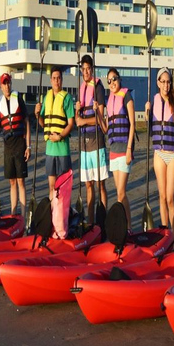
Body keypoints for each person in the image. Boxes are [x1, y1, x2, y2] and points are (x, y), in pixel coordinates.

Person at [146, 67, 174, 234]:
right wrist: (147, 113)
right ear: (158, 83)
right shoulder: (153, 103)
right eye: (163, 82)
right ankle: (165, 234)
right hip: (159, 154)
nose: (166, 85)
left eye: (168, 82)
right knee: (161, 197)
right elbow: (150, 130)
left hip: (172, 154)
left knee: (170, 199)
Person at [74, 55, 108, 225]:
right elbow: (77, 119)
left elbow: (100, 119)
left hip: (97, 140)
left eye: (88, 69)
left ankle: (102, 220)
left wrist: (82, 120)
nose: (86, 72)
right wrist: (76, 111)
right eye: (83, 69)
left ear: (92, 70)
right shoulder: (80, 89)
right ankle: (91, 222)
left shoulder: (98, 88)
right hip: (84, 143)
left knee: (100, 184)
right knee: (88, 185)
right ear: (81, 70)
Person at [35, 67, 75, 201]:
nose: (56, 80)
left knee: (63, 186)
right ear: (51, 80)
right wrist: (37, 113)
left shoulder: (67, 98)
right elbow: (42, 122)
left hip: (63, 149)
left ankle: (63, 215)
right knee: (52, 186)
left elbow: (70, 123)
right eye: (54, 78)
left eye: (59, 78)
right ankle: (53, 213)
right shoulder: (47, 97)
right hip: (50, 150)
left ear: (62, 80)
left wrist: (60, 136)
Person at [0, 73, 30, 217]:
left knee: (21, 181)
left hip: (20, 144)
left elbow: (26, 121)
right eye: (4, 83)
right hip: (8, 147)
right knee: (12, 182)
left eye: (8, 83)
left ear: (11, 84)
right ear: (1, 86)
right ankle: (14, 214)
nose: (7, 86)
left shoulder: (18, 98)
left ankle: (23, 215)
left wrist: (28, 146)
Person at [105, 68, 135, 227]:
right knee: (120, 194)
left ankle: (123, 227)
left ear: (119, 79)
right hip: (113, 150)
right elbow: (106, 128)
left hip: (124, 149)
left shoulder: (126, 96)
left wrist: (130, 148)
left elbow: (132, 124)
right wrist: (97, 112)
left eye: (114, 79)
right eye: (109, 81)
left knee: (121, 193)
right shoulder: (109, 100)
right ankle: (128, 225)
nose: (112, 83)